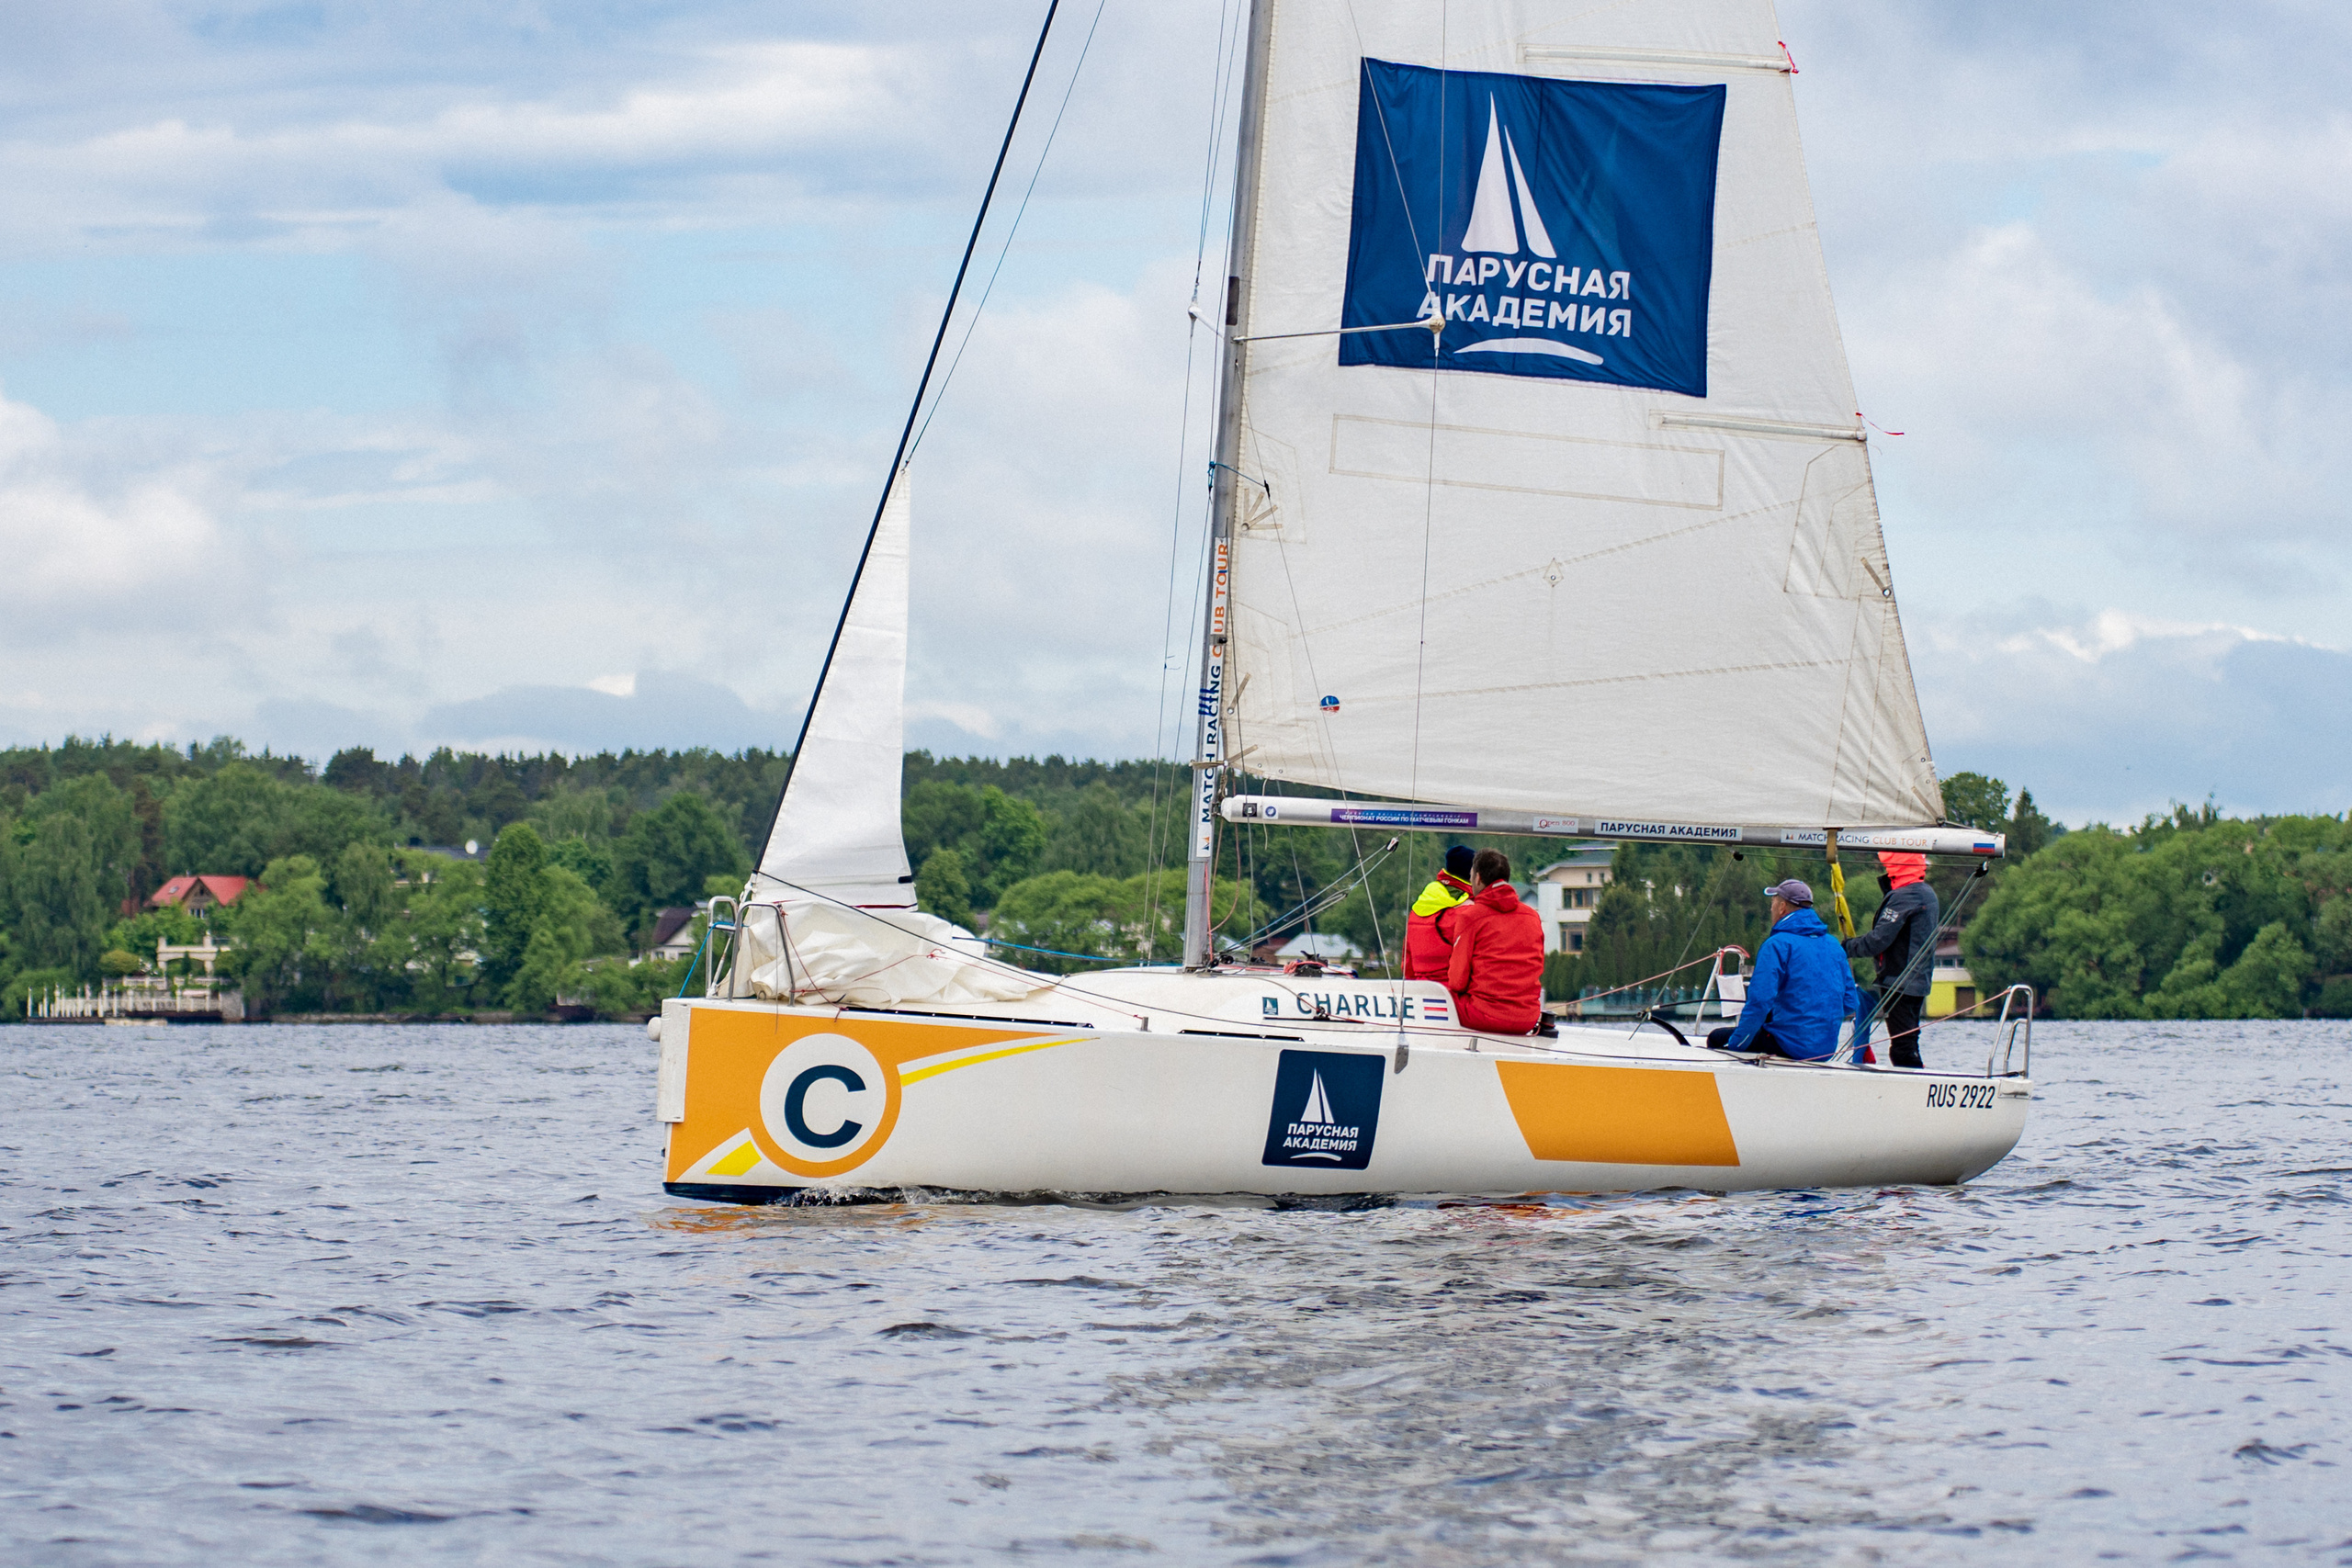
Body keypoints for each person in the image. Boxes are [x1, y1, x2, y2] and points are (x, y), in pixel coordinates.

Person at [1708, 879, 1859, 1061]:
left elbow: (1760, 1002)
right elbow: (1850, 1002)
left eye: (1772, 904)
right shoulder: (1834, 945)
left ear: (1781, 907)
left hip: (1787, 1045)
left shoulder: (1777, 945)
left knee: (1716, 1038)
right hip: (1825, 1050)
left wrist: (1737, 1045)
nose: (1770, 909)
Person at [1846, 851, 1939, 1068]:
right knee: (1906, 1043)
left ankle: (1913, 1090)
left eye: (1887, 865)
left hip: (1900, 982)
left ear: (1896, 866)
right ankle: (1915, 1082)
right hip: (1916, 981)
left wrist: (1845, 948)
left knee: (1903, 1047)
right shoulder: (1925, 893)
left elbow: (1878, 940)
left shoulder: (1906, 896)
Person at [1445, 848, 1545, 1034]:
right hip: (1527, 1018)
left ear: (1477, 878)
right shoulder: (1532, 916)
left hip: (1484, 1015)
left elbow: (1457, 981)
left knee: (1436, 994)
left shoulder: (1470, 917)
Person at [1404, 844, 1476, 982]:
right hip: (1451, 996)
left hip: (1420, 993)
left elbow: (1407, 964)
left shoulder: (1419, 907)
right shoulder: (1467, 911)